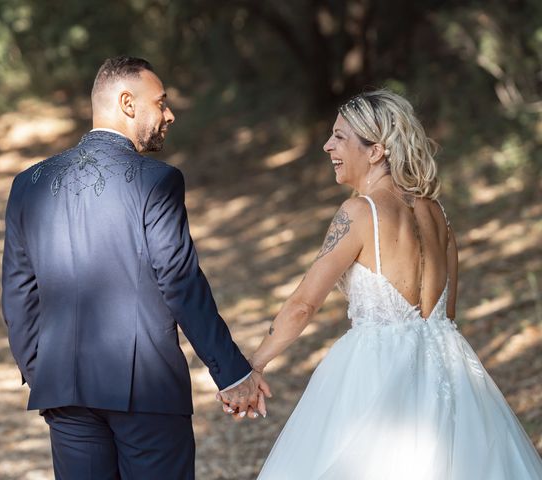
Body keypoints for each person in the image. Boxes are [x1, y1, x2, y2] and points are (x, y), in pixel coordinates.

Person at [222, 90, 542, 478]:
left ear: (375, 151)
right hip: (449, 366)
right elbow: (447, 312)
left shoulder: (360, 213)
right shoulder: (437, 212)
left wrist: (253, 366)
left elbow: (303, 305)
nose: (327, 146)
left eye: (339, 137)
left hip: (375, 370)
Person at [1, 55, 270, 480]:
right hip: (146, 392)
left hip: (64, 391)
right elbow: (181, 283)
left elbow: (18, 295)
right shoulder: (156, 181)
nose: (169, 114)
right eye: (160, 102)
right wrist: (233, 373)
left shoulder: (27, 184)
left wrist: (44, 373)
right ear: (128, 103)